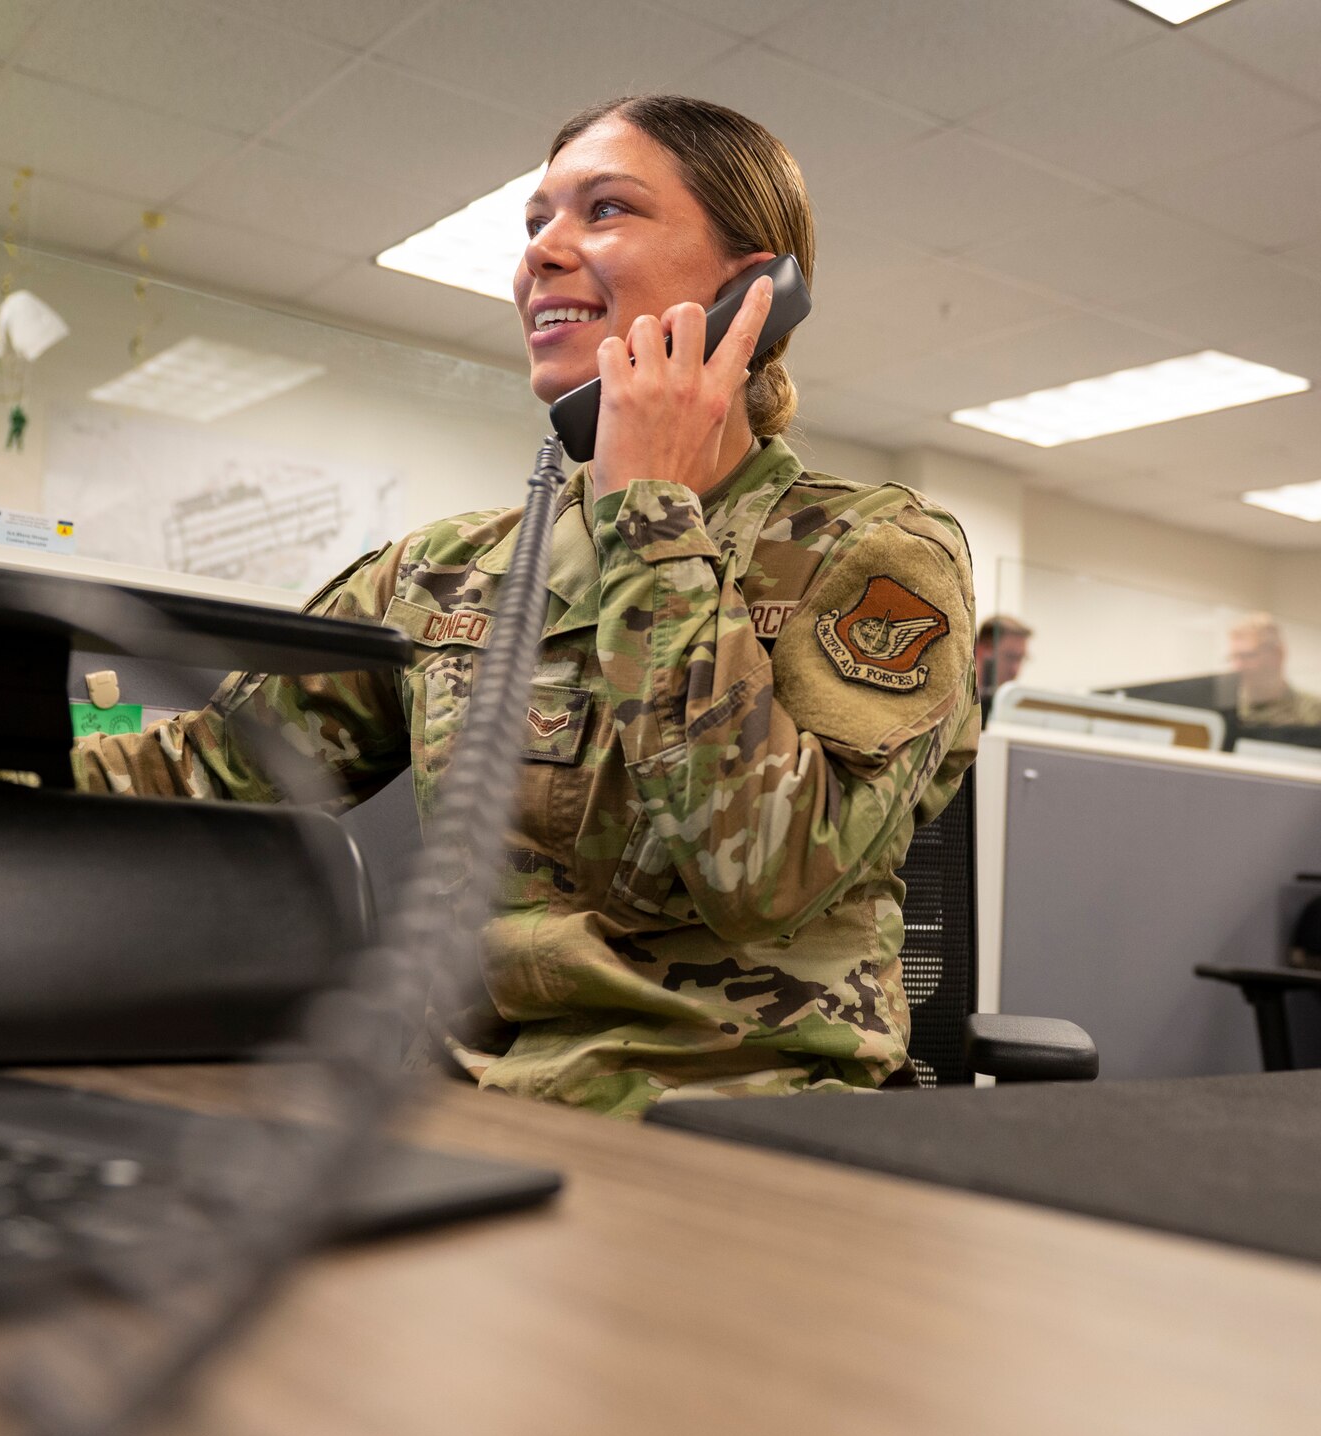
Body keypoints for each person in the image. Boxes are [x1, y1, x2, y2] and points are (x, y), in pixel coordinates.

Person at [73, 95, 977, 1118]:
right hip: (475, 1109)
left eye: (605, 210)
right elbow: (203, 773)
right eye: (533, 222)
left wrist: (648, 509)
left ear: (749, 290)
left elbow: (765, 872)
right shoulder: (450, 570)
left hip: (747, 1122)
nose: (540, 253)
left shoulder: (870, 556)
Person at [1228, 613, 1321, 727]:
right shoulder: (1228, 712)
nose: (1238, 666)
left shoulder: (1313, 713)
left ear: (1278, 655)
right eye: (1234, 657)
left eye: (1248, 656)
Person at [974, 614, 1030, 715]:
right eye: (1010, 657)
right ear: (983, 649)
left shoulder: (1007, 707)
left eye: (1021, 659)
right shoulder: (959, 698)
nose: (1015, 670)